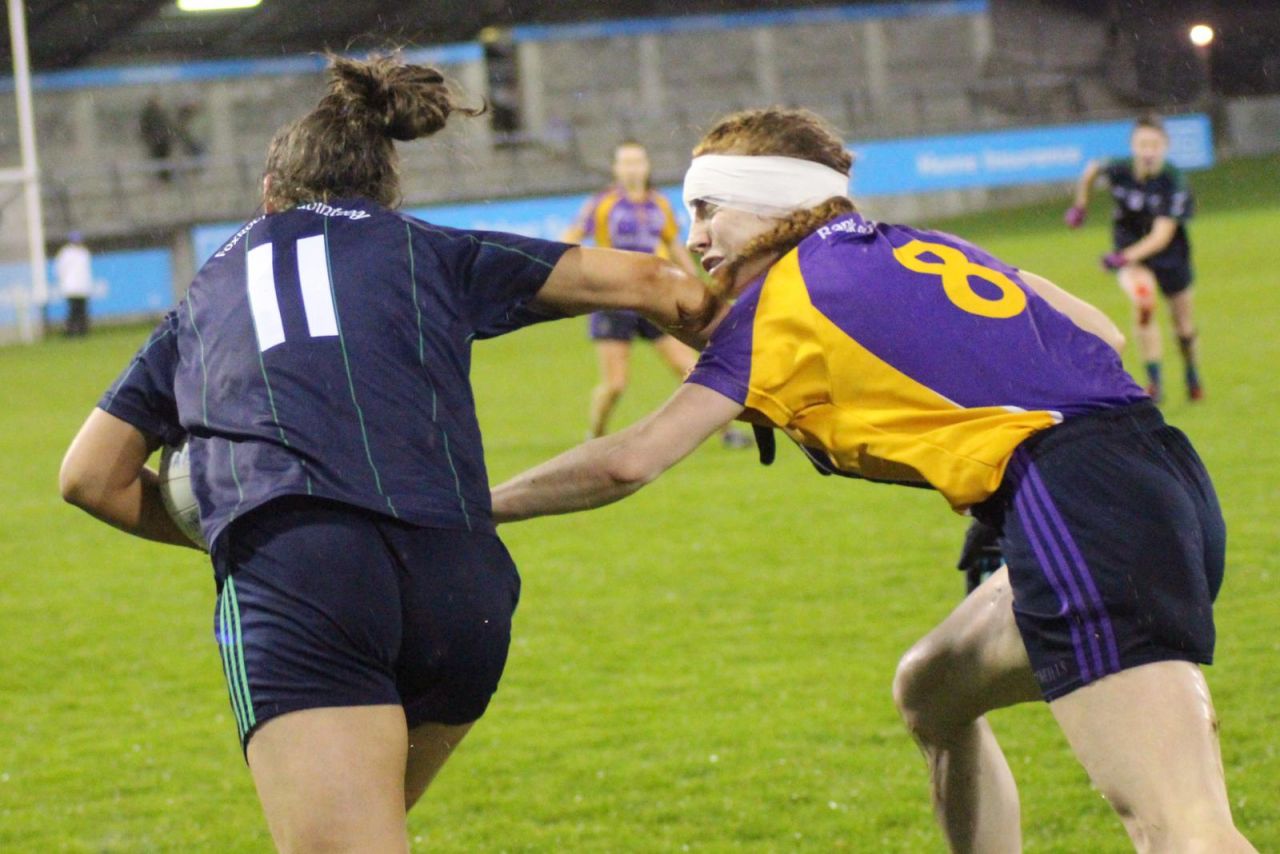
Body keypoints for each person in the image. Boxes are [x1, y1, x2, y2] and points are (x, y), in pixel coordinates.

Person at [491, 108, 1254, 853]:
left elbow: (630, 458)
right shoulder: (916, 244)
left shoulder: (779, 307)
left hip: (1079, 504)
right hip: (1157, 477)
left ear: (767, 202)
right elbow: (1099, 330)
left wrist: (476, 504)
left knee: (1179, 828)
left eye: (707, 209)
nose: (693, 237)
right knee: (930, 691)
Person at [59, 55, 715, 853]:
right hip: (461, 582)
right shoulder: (431, 249)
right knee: (373, 827)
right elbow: (661, 286)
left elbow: (89, 478)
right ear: (386, 191)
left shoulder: (208, 295)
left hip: (303, 569)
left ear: (269, 195)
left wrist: (226, 522)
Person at [564, 140, 750, 447]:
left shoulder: (658, 204)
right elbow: (571, 236)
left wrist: (693, 283)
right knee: (615, 385)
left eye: (637, 161)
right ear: (616, 168)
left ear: (646, 165)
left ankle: (727, 433)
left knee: (692, 369)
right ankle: (594, 437)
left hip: (654, 298)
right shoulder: (603, 204)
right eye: (626, 162)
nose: (632, 168)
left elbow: (674, 244)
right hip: (614, 301)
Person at [1067, 114, 1202, 403]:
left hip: (1170, 257)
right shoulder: (1119, 169)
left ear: (1165, 146)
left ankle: (1191, 370)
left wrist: (1120, 257)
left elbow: (1161, 236)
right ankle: (1154, 384)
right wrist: (1081, 205)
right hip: (1132, 257)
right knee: (1144, 303)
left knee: (1183, 326)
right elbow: (1091, 169)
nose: (1149, 151)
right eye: (1143, 144)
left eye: (1155, 144)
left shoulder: (1173, 181)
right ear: (1133, 145)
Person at [54, 231, 92, 337]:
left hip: (81, 286)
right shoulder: (66, 253)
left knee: (81, 310)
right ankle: (71, 331)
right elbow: (60, 269)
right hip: (71, 286)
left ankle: (82, 331)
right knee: (73, 311)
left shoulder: (84, 252)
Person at [139, 95, 175, 182]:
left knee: (165, 158)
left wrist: (169, 136)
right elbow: (145, 127)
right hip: (155, 140)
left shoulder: (162, 113)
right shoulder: (148, 114)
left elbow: (167, 125)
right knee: (158, 159)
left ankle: (166, 177)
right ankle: (162, 177)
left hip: (164, 140)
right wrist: (149, 138)